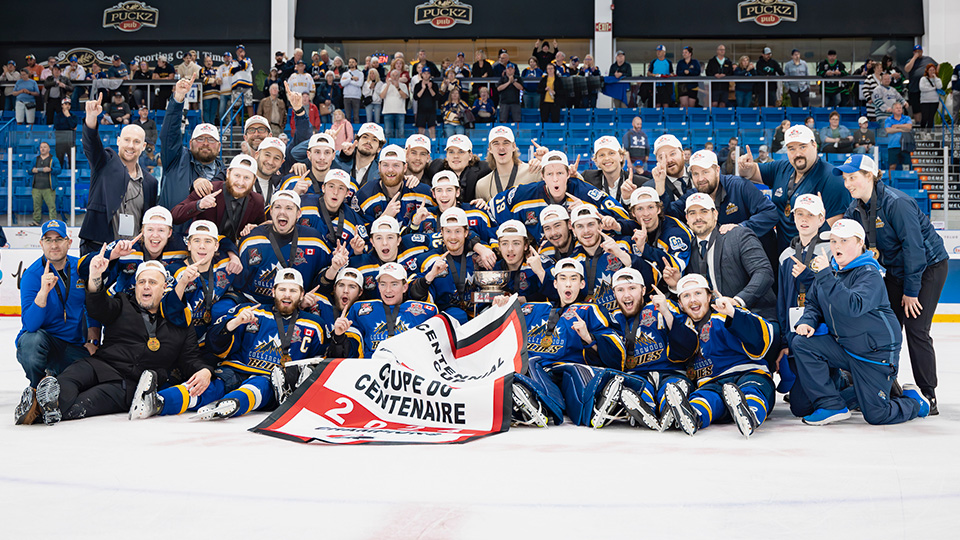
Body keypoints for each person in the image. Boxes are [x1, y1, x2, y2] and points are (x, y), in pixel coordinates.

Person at [15, 256, 212, 426]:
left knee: (88, 401)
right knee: (69, 379)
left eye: (152, 282)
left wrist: (204, 371)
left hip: (128, 383)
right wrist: (95, 277)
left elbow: (190, 359)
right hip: (101, 364)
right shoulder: (122, 302)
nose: (146, 286)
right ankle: (42, 403)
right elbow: (98, 307)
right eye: (142, 281)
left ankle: (37, 412)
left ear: (165, 287)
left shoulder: (181, 324)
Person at [791, 219, 930, 426]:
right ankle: (831, 405)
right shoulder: (831, 270)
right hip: (845, 347)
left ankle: (913, 401)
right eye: (834, 241)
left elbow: (853, 306)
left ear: (859, 243)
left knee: (877, 415)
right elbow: (813, 302)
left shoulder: (868, 274)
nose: (837, 246)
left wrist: (825, 276)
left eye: (844, 241)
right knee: (801, 345)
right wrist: (807, 321)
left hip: (874, 353)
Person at [838, 154, 948, 414]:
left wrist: (912, 292)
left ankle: (927, 393)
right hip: (896, 271)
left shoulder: (897, 203)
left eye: (852, 178)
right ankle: (886, 387)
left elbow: (915, 249)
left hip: (927, 267)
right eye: (845, 178)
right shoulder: (855, 208)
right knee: (884, 326)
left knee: (915, 327)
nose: (848, 184)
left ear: (870, 177)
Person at [182, 268, 328, 420]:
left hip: (272, 380)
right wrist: (235, 322)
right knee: (206, 387)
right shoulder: (249, 311)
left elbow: (317, 366)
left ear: (302, 294)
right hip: (235, 372)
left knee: (260, 384)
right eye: (282, 289)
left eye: (293, 290)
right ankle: (160, 401)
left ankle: (229, 404)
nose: (287, 294)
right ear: (273, 291)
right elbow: (214, 345)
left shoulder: (315, 325)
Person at [506, 258, 625, 427]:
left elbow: (618, 352)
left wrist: (589, 338)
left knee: (575, 372)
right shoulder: (533, 309)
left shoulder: (591, 310)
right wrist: (502, 306)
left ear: (582, 284)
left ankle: (591, 406)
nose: (568, 284)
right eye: (563, 278)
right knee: (528, 365)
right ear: (555, 284)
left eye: (573, 279)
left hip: (569, 372)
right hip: (536, 370)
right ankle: (534, 403)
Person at [662, 274, 775, 437]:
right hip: (712, 381)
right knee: (705, 396)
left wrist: (733, 314)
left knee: (752, 388)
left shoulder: (725, 313)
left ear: (709, 296)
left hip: (748, 373)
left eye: (698, 293)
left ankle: (749, 413)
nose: (693, 300)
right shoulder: (684, 328)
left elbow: (759, 340)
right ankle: (693, 415)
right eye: (686, 296)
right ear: (680, 303)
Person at [664, 193, 776, 321]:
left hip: (753, 315)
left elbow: (764, 273)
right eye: (692, 213)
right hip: (713, 323)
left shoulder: (738, 235)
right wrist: (676, 285)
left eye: (704, 211)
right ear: (687, 219)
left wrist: (738, 301)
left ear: (715, 214)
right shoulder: (688, 248)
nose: (698, 217)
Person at [738, 125, 851, 251]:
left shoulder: (832, 178)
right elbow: (752, 172)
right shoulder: (781, 168)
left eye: (803, 147)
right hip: (782, 253)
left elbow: (834, 229)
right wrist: (745, 167)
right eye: (791, 149)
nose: (797, 154)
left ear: (814, 145)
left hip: (812, 255)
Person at [15, 220, 91, 402]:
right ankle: (37, 388)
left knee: (91, 378)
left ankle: (56, 380)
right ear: (41, 243)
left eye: (59, 239)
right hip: (45, 344)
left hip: (74, 346)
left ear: (69, 242)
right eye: (48, 240)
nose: (54, 245)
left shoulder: (81, 268)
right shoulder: (32, 276)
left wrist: (92, 340)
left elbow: (93, 308)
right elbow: (30, 325)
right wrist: (43, 292)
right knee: (30, 342)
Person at [490, 150, 629, 243]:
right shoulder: (524, 193)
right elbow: (494, 207)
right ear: (543, 176)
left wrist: (591, 213)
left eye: (560, 173)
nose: (555, 179)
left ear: (568, 174)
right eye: (550, 174)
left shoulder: (585, 193)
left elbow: (624, 217)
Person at [79, 93, 157, 255]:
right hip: (98, 247)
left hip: (133, 252)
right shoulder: (104, 162)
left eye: (136, 142)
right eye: (127, 140)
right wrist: (91, 118)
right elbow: (91, 144)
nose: (131, 146)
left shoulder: (150, 182)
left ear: (143, 146)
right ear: (118, 141)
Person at [233, 190, 331, 305]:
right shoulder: (251, 240)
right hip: (256, 305)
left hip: (298, 306)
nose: (282, 212)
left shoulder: (314, 240)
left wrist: (335, 266)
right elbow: (238, 284)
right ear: (271, 211)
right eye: (278, 207)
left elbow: (323, 280)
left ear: (298, 214)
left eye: (289, 208)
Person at [329, 262, 438, 358]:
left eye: (394, 284)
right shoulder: (360, 310)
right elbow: (346, 356)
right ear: (378, 286)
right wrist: (339, 336)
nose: (388, 290)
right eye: (383, 284)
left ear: (405, 287)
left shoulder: (426, 312)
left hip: (408, 374)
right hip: (373, 373)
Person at [665, 149, 778, 243]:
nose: (700, 179)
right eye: (695, 174)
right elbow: (670, 213)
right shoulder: (694, 196)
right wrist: (660, 186)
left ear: (717, 170)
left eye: (705, 172)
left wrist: (741, 228)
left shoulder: (739, 186)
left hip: (757, 256)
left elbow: (770, 213)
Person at [158, 74, 224, 211]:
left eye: (211, 139)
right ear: (190, 143)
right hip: (174, 230)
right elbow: (169, 134)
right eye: (200, 139)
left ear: (219, 146)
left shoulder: (226, 175)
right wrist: (178, 98)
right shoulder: (175, 159)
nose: (205, 143)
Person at [171, 154, 265, 243]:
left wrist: (255, 228)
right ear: (228, 173)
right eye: (237, 175)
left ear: (254, 180)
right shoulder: (209, 189)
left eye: (247, 178)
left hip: (232, 252)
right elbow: (175, 216)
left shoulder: (258, 200)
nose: (241, 182)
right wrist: (199, 205)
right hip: (201, 248)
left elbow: (261, 228)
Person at [475, 125, 541, 202]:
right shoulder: (482, 185)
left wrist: (547, 160)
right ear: (490, 149)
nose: (501, 147)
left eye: (506, 143)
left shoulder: (534, 171)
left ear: (514, 147)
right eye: (496, 143)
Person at [423, 134, 492, 203]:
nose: (456, 156)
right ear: (446, 155)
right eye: (451, 152)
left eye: (461, 152)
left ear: (470, 155)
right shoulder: (436, 169)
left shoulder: (484, 169)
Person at [582, 136, 632, 205]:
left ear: (621, 156)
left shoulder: (638, 183)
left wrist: (627, 200)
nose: (607, 158)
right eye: (602, 155)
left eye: (611, 153)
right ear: (596, 160)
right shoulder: (587, 178)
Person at [28, 142, 61, 226]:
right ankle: (36, 221)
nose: (42, 149)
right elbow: (28, 170)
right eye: (41, 147)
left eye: (45, 147)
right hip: (36, 187)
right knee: (36, 206)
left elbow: (59, 170)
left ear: (49, 149)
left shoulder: (53, 159)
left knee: (52, 207)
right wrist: (32, 170)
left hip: (48, 187)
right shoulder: (35, 159)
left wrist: (50, 169)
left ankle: (53, 223)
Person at [903, 45, 937, 124]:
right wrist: (914, 58)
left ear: (922, 51)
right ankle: (918, 123)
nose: (918, 53)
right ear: (913, 52)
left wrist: (935, 75)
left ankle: (925, 125)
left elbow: (938, 65)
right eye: (916, 51)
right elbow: (907, 69)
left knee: (925, 108)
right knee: (916, 108)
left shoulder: (928, 59)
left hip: (926, 89)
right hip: (914, 88)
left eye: (919, 51)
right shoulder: (910, 60)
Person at [884, 102, 913, 172]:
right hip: (893, 145)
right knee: (892, 166)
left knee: (906, 166)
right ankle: (891, 182)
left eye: (900, 108)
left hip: (905, 145)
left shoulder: (907, 118)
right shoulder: (888, 119)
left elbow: (909, 127)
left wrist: (896, 126)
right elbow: (888, 130)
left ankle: (906, 181)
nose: (899, 109)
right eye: (897, 108)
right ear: (893, 110)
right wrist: (902, 129)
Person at [380, 69, 409, 139]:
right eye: (393, 75)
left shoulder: (403, 85)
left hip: (400, 112)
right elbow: (382, 96)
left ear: (399, 76)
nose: (395, 77)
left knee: (400, 133)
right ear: (390, 76)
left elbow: (405, 96)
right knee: (388, 132)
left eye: (396, 76)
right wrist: (387, 85)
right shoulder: (384, 85)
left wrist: (397, 87)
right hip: (387, 112)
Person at [229, 45, 254, 117]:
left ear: (244, 52)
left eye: (241, 51)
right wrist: (240, 67)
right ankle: (237, 124)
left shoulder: (248, 59)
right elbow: (232, 70)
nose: (240, 52)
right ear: (236, 52)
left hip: (247, 85)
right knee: (236, 105)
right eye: (238, 51)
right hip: (236, 85)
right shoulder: (233, 61)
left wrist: (240, 61)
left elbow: (245, 65)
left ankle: (251, 121)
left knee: (249, 104)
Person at [53, 98, 78, 166]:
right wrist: (69, 126)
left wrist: (68, 116)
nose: (67, 106)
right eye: (66, 104)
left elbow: (73, 125)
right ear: (62, 105)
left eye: (69, 104)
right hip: (60, 141)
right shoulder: (57, 116)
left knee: (72, 163)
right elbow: (57, 127)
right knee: (59, 161)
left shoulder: (73, 116)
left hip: (70, 141)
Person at [918, 63, 942, 129]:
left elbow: (939, 87)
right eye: (930, 70)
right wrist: (933, 88)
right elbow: (922, 88)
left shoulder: (937, 79)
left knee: (931, 118)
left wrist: (935, 78)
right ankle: (922, 131)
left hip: (934, 101)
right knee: (925, 117)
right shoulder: (923, 79)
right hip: (925, 101)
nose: (932, 72)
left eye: (933, 70)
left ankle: (929, 133)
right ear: (927, 71)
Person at [340, 57, 363, 123]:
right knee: (347, 116)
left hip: (356, 97)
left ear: (356, 63)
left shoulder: (360, 73)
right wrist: (351, 78)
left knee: (356, 116)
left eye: (353, 62)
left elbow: (359, 84)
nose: (351, 63)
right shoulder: (345, 74)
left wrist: (348, 81)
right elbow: (342, 83)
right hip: (346, 96)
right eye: (350, 62)